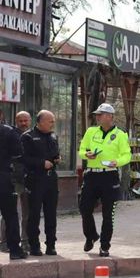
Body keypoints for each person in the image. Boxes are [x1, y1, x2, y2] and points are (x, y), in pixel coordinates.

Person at [78, 103, 131, 257]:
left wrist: (118, 162)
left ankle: (104, 246)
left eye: (100, 114)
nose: (97, 117)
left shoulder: (120, 134)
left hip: (110, 176)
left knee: (108, 214)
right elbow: (82, 150)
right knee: (84, 208)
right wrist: (86, 155)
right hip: (92, 175)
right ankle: (91, 236)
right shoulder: (91, 131)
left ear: (109, 116)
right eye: (97, 115)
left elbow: (127, 155)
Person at [21, 110, 60, 256]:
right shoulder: (28, 137)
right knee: (34, 214)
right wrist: (41, 163)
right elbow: (23, 158)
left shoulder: (53, 135)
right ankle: (34, 245)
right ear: (41, 121)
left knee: (51, 214)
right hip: (35, 180)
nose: (53, 123)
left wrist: (57, 159)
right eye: (50, 121)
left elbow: (56, 153)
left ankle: (51, 245)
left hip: (51, 180)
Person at [0, 111, 31, 253]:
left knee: (24, 212)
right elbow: (18, 154)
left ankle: (23, 242)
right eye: (21, 120)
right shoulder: (9, 132)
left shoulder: (32, 136)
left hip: (25, 177)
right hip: (10, 177)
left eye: (26, 120)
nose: (24, 123)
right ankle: (8, 244)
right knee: (10, 212)